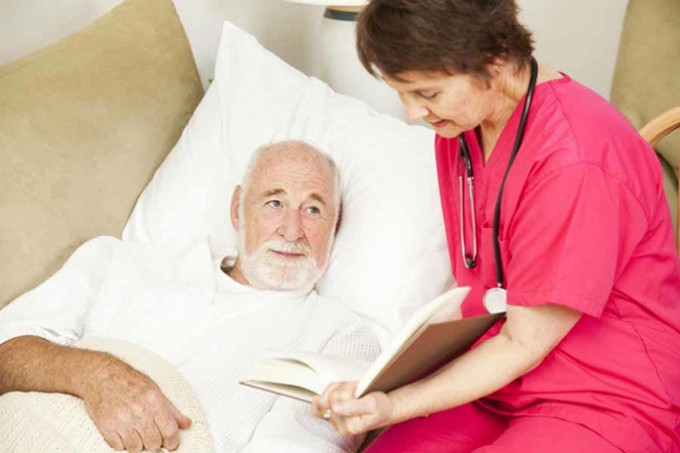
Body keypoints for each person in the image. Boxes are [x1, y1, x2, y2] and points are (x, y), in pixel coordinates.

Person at [311, 1, 680, 452]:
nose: (412, 114)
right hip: (497, 385)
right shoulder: (461, 129)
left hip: (607, 397)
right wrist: (381, 391)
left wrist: (395, 405)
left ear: (496, 58)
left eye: (427, 94)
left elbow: (523, 341)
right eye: (401, 93)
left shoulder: (576, 160)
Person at [0, 140, 380, 453]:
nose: (292, 229)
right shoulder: (119, 259)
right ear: (237, 209)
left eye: (313, 209)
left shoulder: (341, 336)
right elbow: (5, 351)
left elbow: (298, 448)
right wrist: (95, 375)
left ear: (335, 226)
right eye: (274, 203)